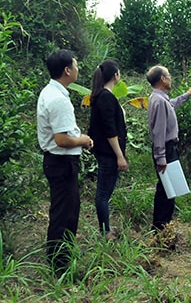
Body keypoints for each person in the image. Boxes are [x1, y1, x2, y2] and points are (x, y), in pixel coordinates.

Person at [37, 49, 94, 274]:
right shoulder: (58, 99)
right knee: (64, 213)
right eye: (76, 65)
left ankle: (61, 257)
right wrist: (84, 139)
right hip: (61, 163)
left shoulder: (51, 92)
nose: (78, 69)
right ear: (67, 70)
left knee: (66, 210)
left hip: (58, 163)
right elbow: (62, 139)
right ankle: (60, 266)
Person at [146, 65, 191, 232]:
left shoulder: (160, 99)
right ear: (162, 79)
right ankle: (161, 228)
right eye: (168, 75)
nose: (170, 78)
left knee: (169, 189)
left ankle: (163, 226)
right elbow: (159, 131)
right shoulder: (159, 101)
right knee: (166, 190)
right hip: (166, 150)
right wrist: (161, 157)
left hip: (168, 149)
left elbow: (172, 105)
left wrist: (186, 96)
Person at [88, 60, 128, 241]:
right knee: (103, 194)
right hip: (108, 153)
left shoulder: (101, 95)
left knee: (105, 192)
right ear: (115, 76)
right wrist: (120, 155)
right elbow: (110, 130)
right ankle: (105, 232)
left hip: (105, 152)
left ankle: (107, 228)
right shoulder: (105, 97)